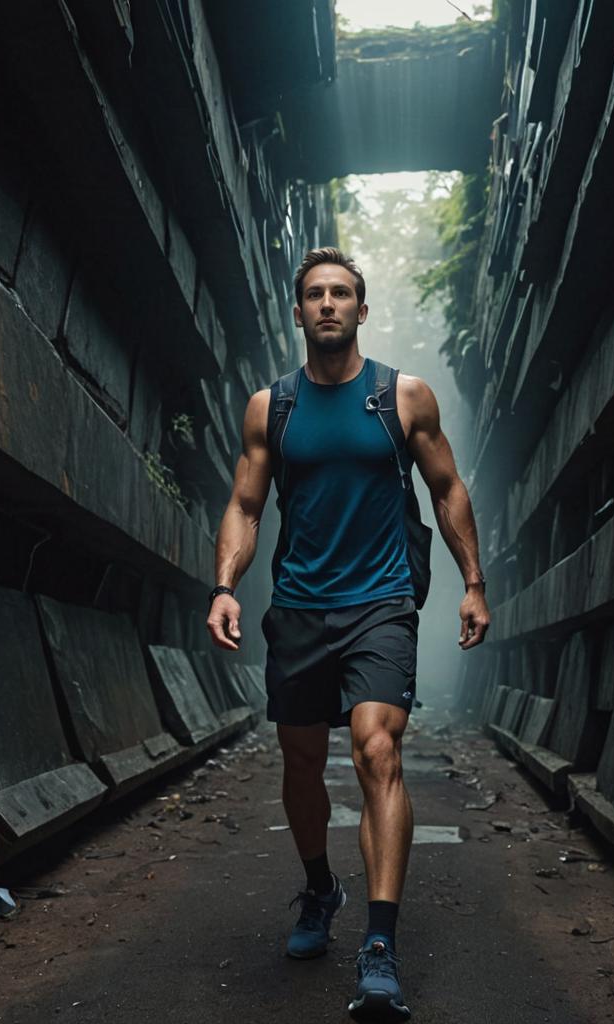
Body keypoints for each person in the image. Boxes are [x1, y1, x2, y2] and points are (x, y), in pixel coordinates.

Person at [206, 247, 490, 1022]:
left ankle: (379, 947)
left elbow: (447, 489)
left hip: (382, 604)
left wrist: (472, 584)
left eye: (341, 293)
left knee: (376, 750)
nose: (328, 304)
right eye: (314, 295)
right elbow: (245, 502)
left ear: (362, 309)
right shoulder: (274, 407)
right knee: (302, 762)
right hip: (299, 607)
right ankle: (319, 889)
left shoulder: (402, 398)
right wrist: (226, 586)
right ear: (297, 312)